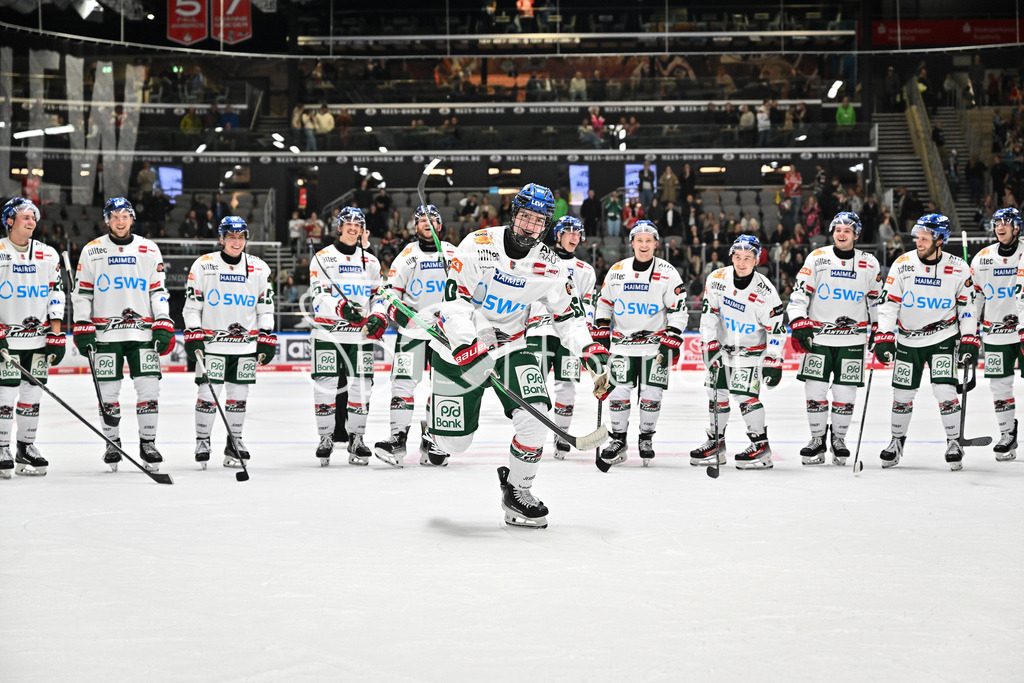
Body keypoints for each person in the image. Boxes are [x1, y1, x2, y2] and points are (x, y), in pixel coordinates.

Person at [423, 183, 609, 529]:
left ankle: (518, 491)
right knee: (455, 443)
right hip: (458, 348)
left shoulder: (552, 266)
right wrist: (466, 345)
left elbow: (568, 316)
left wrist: (590, 350)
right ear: (513, 214)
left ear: (547, 226)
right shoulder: (477, 246)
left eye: (539, 221)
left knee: (536, 413)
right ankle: (435, 431)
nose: (529, 227)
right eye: (525, 217)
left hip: (510, 344)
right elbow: (455, 304)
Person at [71, 197, 174, 472]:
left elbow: (157, 291)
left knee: (150, 389)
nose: (119, 220)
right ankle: (112, 442)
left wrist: (163, 321)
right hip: (105, 335)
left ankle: (148, 443)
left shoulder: (149, 249)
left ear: (132, 218)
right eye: (114, 216)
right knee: (108, 392)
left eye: (124, 215)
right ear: (106, 220)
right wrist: (82, 325)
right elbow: (82, 294)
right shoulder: (91, 251)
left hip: (142, 332)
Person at [874, 214, 979, 470]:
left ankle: (954, 441)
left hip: (943, 337)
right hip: (909, 339)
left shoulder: (958, 267)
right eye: (918, 237)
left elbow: (968, 307)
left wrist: (969, 338)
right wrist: (884, 335)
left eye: (924, 238)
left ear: (940, 239)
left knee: (945, 391)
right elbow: (888, 305)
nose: (918, 242)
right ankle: (896, 442)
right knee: (902, 394)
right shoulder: (903, 263)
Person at [786, 212, 882, 465]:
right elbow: (799, 294)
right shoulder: (817, 258)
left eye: (847, 231)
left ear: (856, 235)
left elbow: (876, 301)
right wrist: (798, 321)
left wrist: (880, 329)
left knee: (845, 394)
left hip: (852, 340)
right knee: (814, 390)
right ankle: (817, 439)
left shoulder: (869, 263)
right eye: (838, 229)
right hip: (818, 339)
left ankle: (839, 440)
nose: (841, 234)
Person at [182, 216, 276, 469]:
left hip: (245, 346)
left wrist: (267, 335)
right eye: (231, 237)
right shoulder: (203, 265)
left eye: (241, 237)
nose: (237, 242)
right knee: (206, 396)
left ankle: (235, 441)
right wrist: (194, 334)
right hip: (212, 346)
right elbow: (192, 307)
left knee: (239, 396)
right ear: (221, 238)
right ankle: (202, 441)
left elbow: (265, 307)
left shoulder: (258, 267)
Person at [594, 221, 686, 467]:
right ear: (632, 243)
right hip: (622, 346)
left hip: (655, 347)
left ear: (656, 244)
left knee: (651, 395)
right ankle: (618, 440)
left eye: (649, 240)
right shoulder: (616, 271)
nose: (644, 245)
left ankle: (646, 438)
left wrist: (671, 340)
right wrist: (601, 333)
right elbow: (603, 304)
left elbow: (679, 311)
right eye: (639, 240)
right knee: (618, 394)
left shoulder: (668, 272)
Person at [690, 235, 785, 470]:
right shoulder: (717, 279)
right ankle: (716, 441)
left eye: (748, 258)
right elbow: (709, 315)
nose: (741, 263)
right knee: (716, 393)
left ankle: (760, 445)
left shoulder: (766, 291)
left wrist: (774, 358)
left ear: (756, 260)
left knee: (745, 397)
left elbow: (777, 329)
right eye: (737, 257)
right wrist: (708, 343)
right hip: (722, 350)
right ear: (732, 256)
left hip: (751, 352)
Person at [372, 205, 456, 468]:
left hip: (446, 334)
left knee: (443, 387)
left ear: (440, 226)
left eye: (432, 220)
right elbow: (389, 293)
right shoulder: (407, 255)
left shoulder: (454, 254)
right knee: (402, 385)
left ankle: (435, 437)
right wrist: (398, 312)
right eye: (422, 220)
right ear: (415, 227)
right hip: (412, 331)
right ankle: (397, 437)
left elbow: (469, 291)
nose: (427, 224)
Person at [308, 207, 386, 466]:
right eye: (348, 223)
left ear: (362, 229)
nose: (353, 227)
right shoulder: (322, 258)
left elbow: (379, 297)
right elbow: (318, 298)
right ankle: (325, 437)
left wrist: (379, 315)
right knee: (325, 387)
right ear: (339, 227)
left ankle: (357, 438)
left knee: (361, 388)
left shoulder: (372, 262)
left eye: (358, 223)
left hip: (360, 336)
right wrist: (341, 309)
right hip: (328, 333)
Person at [0, 198, 66, 477]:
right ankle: (1, 446)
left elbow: (56, 294)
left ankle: (26, 446)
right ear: (10, 221)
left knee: (32, 396)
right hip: (8, 340)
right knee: (4, 395)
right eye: (26, 217)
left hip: (37, 340)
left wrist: (56, 334)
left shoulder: (48, 254)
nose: (32, 222)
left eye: (34, 218)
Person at [526, 216, 597, 459]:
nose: (574, 237)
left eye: (578, 233)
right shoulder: (536, 262)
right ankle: (531, 439)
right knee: (534, 388)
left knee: (567, 387)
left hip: (569, 337)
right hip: (539, 331)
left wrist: (587, 336)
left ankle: (561, 435)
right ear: (557, 235)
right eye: (569, 232)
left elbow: (588, 307)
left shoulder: (586, 271)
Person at [971, 208, 1023, 460]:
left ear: (1017, 227)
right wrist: (968, 331)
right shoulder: (982, 257)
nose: (1000, 226)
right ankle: (1007, 434)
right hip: (995, 332)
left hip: (1023, 330)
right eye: (996, 223)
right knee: (999, 386)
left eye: (1006, 222)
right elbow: (975, 298)